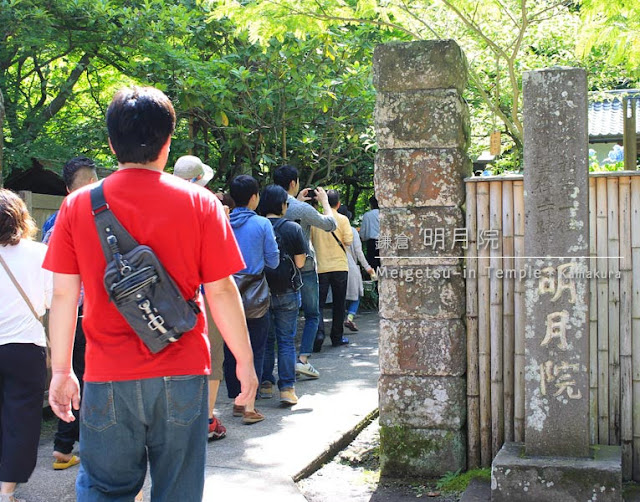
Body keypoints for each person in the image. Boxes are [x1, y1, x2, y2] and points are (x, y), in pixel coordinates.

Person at [44, 86, 257, 501]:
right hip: (183, 370)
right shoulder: (202, 203)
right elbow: (221, 291)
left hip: (107, 376)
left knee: (105, 490)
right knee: (178, 491)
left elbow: (65, 297)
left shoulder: (77, 206)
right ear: (167, 141)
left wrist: (61, 371)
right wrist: (243, 362)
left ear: (111, 143)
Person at [44, 157, 98, 470]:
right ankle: (91, 447)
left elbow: (49, 274)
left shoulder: (53, 221)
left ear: (67, 188)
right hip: (93, 314)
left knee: (67, 377)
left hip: (63, 315)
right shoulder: (102, 215)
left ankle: (64, 446)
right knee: (92, 381)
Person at [0, 189, 53, 502]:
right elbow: (51, 300)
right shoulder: (39, 253)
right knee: (21, 419)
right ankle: (6, 491)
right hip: (25, 347)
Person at [173, 155, 226, 440]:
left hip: (166, 300)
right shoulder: (208, 205)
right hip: (203, 295)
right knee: (212, 358)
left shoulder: (160, 203)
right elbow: (220, 267)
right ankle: (206, 418)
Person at [226, 175, 279, 423]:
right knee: (256, 347)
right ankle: (249, 405)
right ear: (254, 197)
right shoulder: (262, 224)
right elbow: (273, 260)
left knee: (231, 347)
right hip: (255, 295)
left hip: (226, 293)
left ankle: (237, 398)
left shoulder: (222, 222)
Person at [273, 165, 336, 365]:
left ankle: (283, 361)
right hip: (305, 266)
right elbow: (330, 225)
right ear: (293, 183)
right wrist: (325, 202)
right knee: (312, 314)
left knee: (280, 315)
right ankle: (303, 359)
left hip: (277, 266)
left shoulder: (268, 204)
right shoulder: (302, 209)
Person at [258, 185, 307, 405]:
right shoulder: (292, 228)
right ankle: (287, 389)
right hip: (287, 290)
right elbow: (300, 262)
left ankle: (265, 384)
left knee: (267, 341)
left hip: (260, 292)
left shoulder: (257, 225)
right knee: (286, 340)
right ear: (283, 205)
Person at [310, 190, 353, 350]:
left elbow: (311, 242)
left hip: (320, 267)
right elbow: (348, 241)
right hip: (340, 266)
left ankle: (319, 334)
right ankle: (337, 336)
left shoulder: (316, 220)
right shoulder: (343, 219)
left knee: (319, 304)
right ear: (338, 204)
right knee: (339, 303)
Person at [337, 205, 376, 332]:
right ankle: (349, 317)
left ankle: (338, 323)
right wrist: (368, 267)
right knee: (356, 294)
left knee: (340, 297)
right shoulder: (352, 230)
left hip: (334, 266)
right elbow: (359, 252)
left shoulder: (330, 229)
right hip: (350, 266)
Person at [359, 196, 380, 271]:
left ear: (371, 204)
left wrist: (362, 238)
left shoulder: (367, 215)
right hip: (384, 241)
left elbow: (363, 232)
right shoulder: (384, 214)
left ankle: (376, 281)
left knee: (373, 264)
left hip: (372, 242)